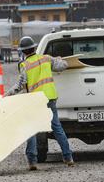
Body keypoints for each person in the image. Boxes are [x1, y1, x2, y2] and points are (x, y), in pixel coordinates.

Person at [7, 36, 74, 170]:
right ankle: (68, 158)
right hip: (50, 98)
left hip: (35, 101)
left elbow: (20, 84)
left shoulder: (24, 65)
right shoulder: (47, 58)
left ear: (23, 51)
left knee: (31, 129)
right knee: (57, 128)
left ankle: (32, 161)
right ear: (34, 48)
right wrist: (60, 59)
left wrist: (8, 94)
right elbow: (63, 66)